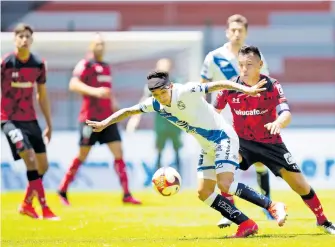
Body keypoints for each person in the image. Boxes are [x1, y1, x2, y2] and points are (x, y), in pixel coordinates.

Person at [86, 71, 288, 238]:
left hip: (223, 137)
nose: (160, 98)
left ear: (170, 86)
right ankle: (245, 223)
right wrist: (105, 123)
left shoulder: (185, 91)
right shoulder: (156, 104)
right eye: (155, 95)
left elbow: (218, 84)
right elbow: (129, 111)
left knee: (224, 184)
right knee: (203, 192)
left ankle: (272, 205)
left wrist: (247, 89)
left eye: (162, 93)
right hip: (207, 145)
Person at [214, 45, 335, 234]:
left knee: (300, 184)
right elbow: (214, 112)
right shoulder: (230, 87)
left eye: (249, 64)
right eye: (241, 65)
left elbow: (286, 113)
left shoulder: (271, 85)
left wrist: (279, 122)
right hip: (242, 142)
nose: (244, 69)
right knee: (222, 170)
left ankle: (322, 220)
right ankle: (233, 215)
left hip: (270, 142)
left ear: (260, 65)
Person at [200, 14, 273, 225]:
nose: (236, 33)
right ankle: (229, 213)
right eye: (233, 30)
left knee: (260, 162)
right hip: (222, 119)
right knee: (224, 163)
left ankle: (267, 206)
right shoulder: (214, 57)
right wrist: (204, 113)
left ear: (246, 33)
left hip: (249, 117)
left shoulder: (256, 58)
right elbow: (204, 86)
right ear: (227, 32)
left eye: (240, 30)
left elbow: (264, 85)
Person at [57, 33, 141, 205]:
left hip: (107, 119)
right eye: (97, 44)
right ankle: (63, 189)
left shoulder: (106, 67)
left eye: (102, 44)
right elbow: (73, 84)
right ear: (91, 46)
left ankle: (126, 194)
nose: (100, 47)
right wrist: (95, 91)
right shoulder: (85, 64)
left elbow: (108, 93)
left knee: (119, 153)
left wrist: (117, 108)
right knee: (82, 155)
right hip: (90, 118)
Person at [1, 23, 58, 220]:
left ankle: (26, 204)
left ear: (32, 40)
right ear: (14, 39)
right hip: (8, 119)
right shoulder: (5, 64)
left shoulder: (38, 64)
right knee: (30, 158)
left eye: (27, 36)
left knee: (43, 165)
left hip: (30, 119)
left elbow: (42, 95)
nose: (24, 39)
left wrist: (49, 124)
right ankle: (45, 208)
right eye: (21, 36)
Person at [126, 58, 182, 172]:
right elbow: (143, 101)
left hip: (175, 124)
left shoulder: (176, 83)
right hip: (161, 123)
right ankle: (158, 177)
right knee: (159, 151)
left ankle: (180, 179)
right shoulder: (152, 85)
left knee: (177, 151)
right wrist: (135, 118)